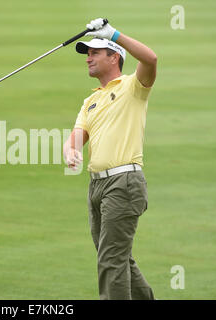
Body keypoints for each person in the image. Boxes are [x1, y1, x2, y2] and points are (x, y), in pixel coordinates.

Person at [63, 18, 157, 300]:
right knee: (118, 258)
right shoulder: (90, 100)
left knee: (110, 260)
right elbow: (77, 136)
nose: (88, 58)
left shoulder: (133, 87)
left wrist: (115, 34)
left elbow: (151, 59)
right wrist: (71, 150)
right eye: (87, 53)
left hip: (123, 183)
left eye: (95, 52)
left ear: (114, 57)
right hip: (97, 188)